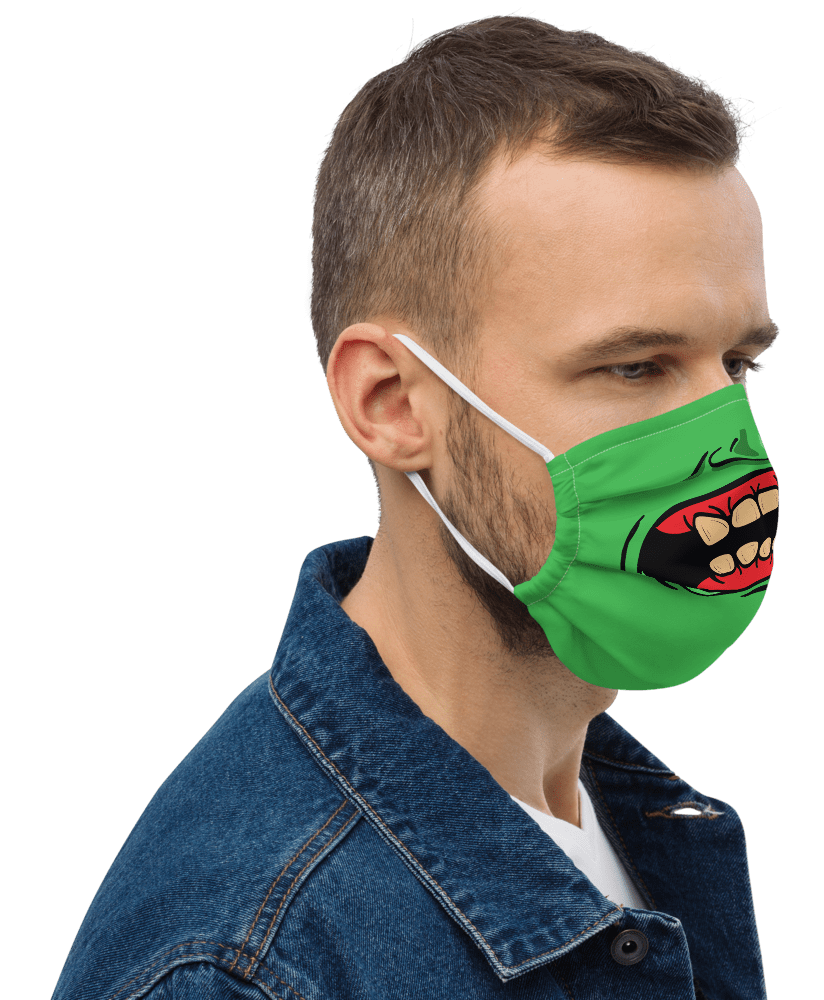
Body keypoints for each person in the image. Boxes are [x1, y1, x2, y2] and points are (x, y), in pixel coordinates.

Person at [53, 14, 781, 1000]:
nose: (725, 443)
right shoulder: (245, 965)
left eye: (736, 363)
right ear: (391, 403)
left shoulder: (631, 827)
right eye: (635, 366)